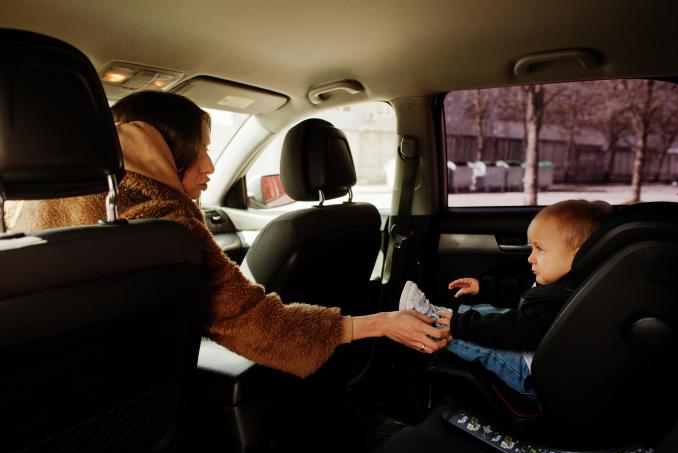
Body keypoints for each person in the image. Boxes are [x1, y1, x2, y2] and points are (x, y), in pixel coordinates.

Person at [6, 90, 450, 378]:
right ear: (164, 152)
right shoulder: (167, 231)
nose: (211, 167)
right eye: (201, 149)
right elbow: (258, 324)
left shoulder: (21, 224)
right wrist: (380, 323)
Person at [399, 199, 615, 400]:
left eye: (539, 249)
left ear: (577, 256)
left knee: (481, 341)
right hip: (537, 349)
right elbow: (522, 290)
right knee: (486, 310)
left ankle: (436, 327)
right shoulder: (564, 283)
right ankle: (442, 316)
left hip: (533, 375)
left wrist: (459, 326)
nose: (531, 257)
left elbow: (516, 330)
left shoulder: (561, 300)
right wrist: (483, 288)